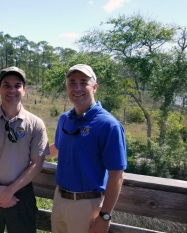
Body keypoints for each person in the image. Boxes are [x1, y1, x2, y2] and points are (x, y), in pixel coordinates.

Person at [48, 64, 127, 233]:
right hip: (59, 198)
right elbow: (58, 148)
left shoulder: (108, 125)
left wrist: (104, 216)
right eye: (72, 82)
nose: (77, 88)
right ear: (66, 87)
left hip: (86, 205)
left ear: (95, 87)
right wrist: (27, 152)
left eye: (83, 82)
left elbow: (117, 174)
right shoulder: (65, 119)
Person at [0, 66, 50, 233]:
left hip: (22, 194)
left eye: (17, 85)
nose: (12, 90)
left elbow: (37, 162)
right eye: (6, 85)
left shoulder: (35, 124)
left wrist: (10, 191)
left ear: (24, 89)